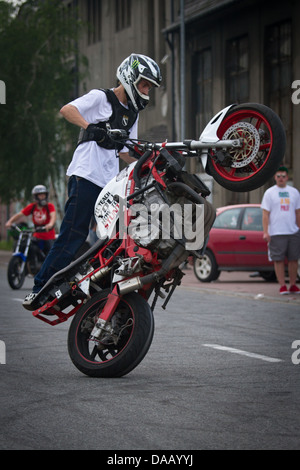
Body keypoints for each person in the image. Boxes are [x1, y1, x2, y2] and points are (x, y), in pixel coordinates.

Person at [23, 53, 162, 309]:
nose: (147, 91)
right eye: (144, 84)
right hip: (86, 174)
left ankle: (91, 285)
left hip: (110, 184)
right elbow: (67, 110)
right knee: (73, 234)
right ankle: (39, 288)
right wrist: (90, 127)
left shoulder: (132, 114)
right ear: (130, 77)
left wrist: (148, 161)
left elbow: (124, 151)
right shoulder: (102, 98)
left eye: (150, 88)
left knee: (114, 239)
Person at [261, 166, 300, 295]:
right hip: (276, 232)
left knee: (294, 259)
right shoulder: (269, 193)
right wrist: (266, 232)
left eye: (283, 176)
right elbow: (265, 214)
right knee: (278, 259)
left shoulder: (294, 192)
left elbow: (298, 212)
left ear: (287, 177)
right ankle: (282, 285)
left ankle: (293, 285)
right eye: (278, 176)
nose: (281, 179)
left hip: (293, 231)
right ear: (275, 177)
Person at [5, 185, 56, 254]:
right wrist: (10, 222)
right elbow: (19, 214)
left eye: (44, 195)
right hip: (37, 235)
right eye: (40, 195)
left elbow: (53, 216)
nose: (42, 197)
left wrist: (50, 224)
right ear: (35, 196)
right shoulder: (32, 206)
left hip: (48, 236)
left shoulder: (50, 206)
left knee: (51, 254)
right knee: (29, 248)